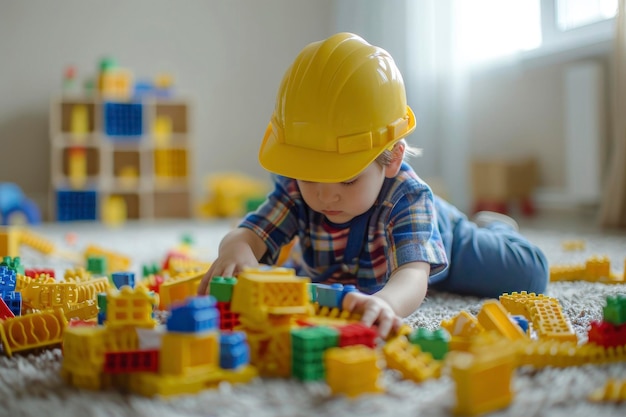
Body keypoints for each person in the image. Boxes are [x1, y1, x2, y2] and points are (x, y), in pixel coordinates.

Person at [198, 32, 549, 337]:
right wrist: (237, 248)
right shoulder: (298, 189)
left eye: (347, 178)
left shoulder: (407, 198)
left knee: (529, 275)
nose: (325, 194)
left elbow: (413, 276)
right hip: (361, 268)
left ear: (392, 158)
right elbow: (251, 233)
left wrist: (385, 303)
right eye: (309, 175)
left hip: (439, 241)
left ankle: (494, 227)